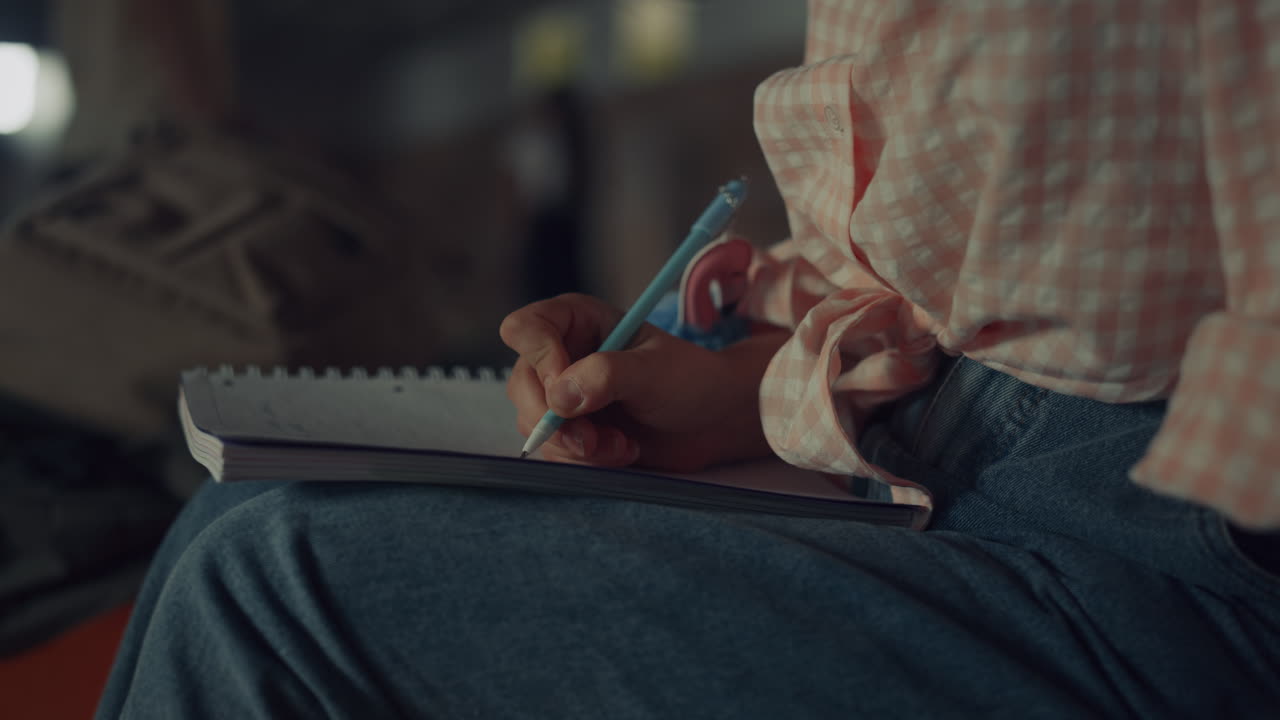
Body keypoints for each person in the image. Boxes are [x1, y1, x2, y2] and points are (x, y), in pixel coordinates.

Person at [95, 2, 1280, 718]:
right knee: (234, 518)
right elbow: (969, 270)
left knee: (271, 580)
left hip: (1161, 540)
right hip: (951, 432)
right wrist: (754, 388)